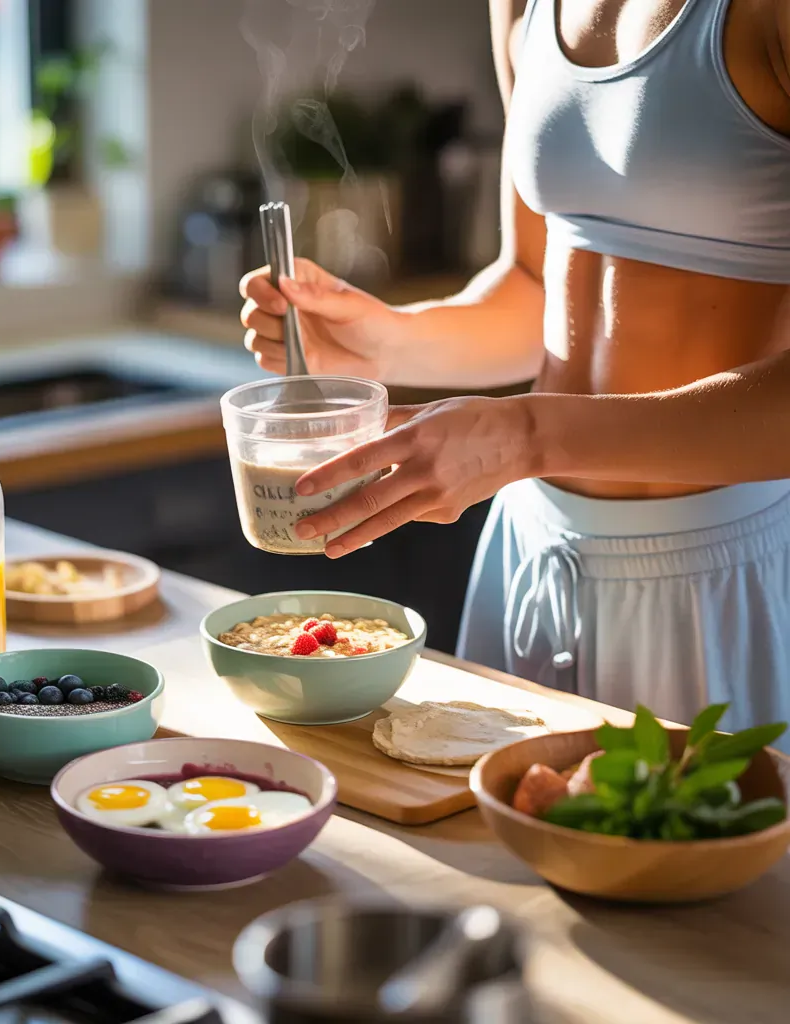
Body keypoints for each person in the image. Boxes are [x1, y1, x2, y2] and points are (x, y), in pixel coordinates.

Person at [237, 0, 790, 738]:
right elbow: (535, 279)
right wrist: (389, 342)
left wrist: (526, 434)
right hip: (529, 545)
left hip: (721, 570)